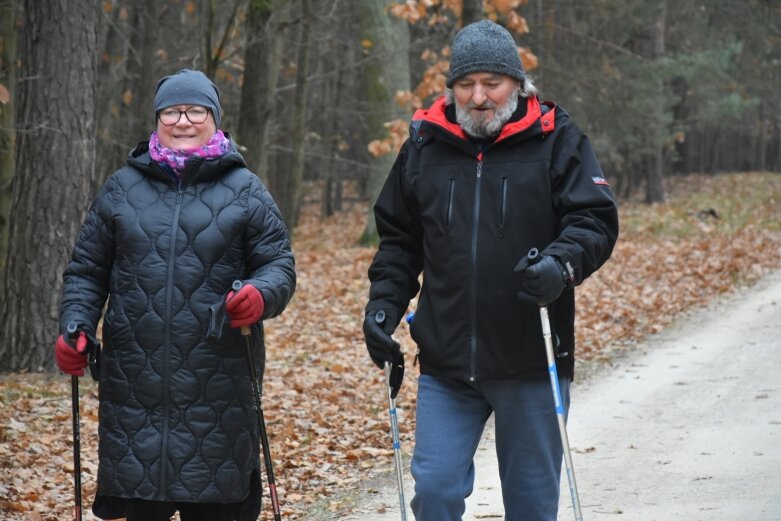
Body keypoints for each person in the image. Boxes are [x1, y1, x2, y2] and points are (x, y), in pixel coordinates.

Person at [363, 20, 619, 521]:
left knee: (530, 507)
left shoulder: (556, 137)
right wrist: (383, 307)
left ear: (517, 85)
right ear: (452, 87)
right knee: (433, 494)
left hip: (531, 358)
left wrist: (559, 265)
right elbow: (399, 239)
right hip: (447, 363)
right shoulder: (424, 144)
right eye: (465, 84)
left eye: (491, 83)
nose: (478, 97)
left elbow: (594, 220)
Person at [54, 69, 296, 521]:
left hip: (219, 390)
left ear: (215, 118)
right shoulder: (121, 189)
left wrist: (260, 294)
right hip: (134, 395)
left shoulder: (245, 190)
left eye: (195, 110)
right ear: (157, 118)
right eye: (171, 111)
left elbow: (279, 265)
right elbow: (87, 272)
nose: (182, 121)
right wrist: (75, 326)